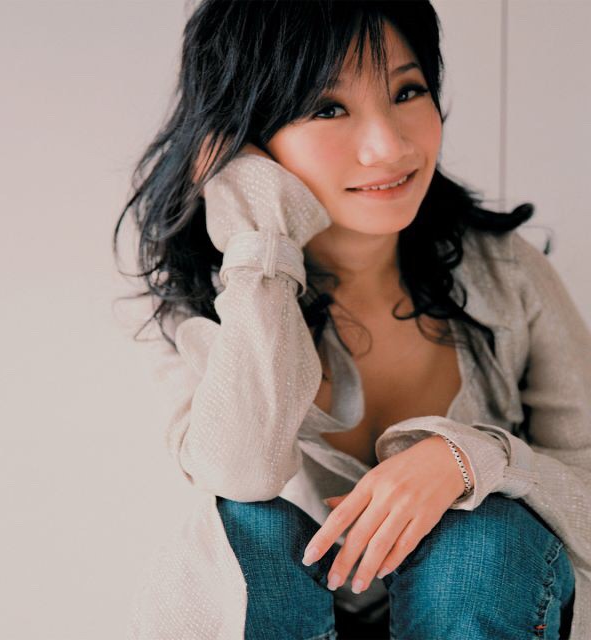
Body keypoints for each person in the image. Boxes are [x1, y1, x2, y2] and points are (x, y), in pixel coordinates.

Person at [115, 1, 590, 638]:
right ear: (243, 137)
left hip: (481, 612)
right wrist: (261, 249)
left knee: (482, 538)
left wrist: (470, 460)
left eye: (407, 91)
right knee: (251, 526)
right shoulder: (195, 306)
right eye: (327, 108)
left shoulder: (505, 272)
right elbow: (243, 472)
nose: (390, 146)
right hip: (297, 617)